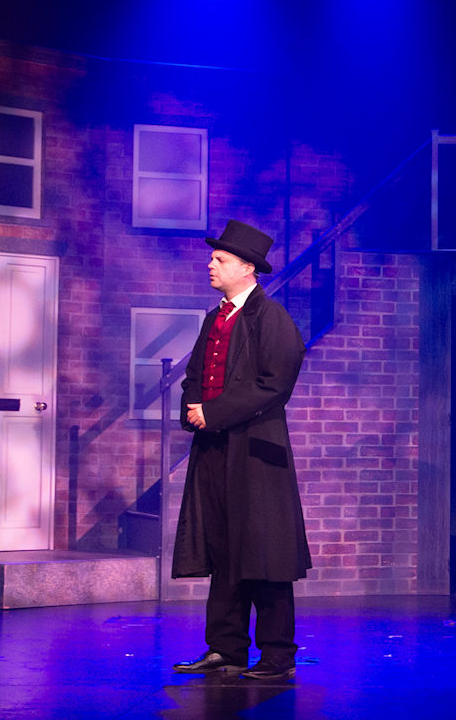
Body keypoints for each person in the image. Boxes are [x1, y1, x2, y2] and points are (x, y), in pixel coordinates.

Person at [171, 220, 311, 682]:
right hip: (216, 447)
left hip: (255, 450)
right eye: (213, 258)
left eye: (220, 259)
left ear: (247, 267)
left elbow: (275, 385)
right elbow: (194, 374)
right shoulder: (216, 317)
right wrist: (194, 409)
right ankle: (226, 648)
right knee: (223, 545)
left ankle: (277, 654)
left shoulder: (271, 318)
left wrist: (214, 412)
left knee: (264, 551)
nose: (210, 265)